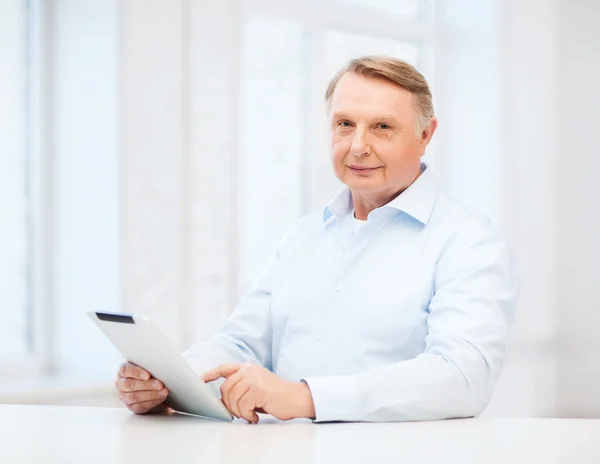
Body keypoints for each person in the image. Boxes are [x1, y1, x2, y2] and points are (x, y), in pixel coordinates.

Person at [115, 56, 519, 423]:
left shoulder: (468, 241)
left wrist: (308, 398)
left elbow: (464, 377)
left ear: (425, 134)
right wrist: (167, 381)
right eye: (345, 124)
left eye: (382, 127)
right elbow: (241, 343)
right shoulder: (305, 234)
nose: (358, 147)